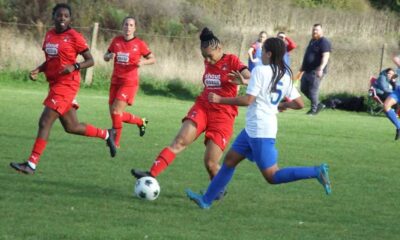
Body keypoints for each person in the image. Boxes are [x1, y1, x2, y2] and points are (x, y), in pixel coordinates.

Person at [185, 37, 331, 209]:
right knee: (230, 161)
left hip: (260, 131)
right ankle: (206, 200)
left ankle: (316, 171)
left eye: (262, 51)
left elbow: (248, 100)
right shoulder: (284, 74)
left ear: (269, 53)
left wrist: (220, 99)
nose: (260, 54)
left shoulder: (261, 70)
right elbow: (299, 103)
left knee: (272, 176)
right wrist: (280, 104)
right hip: (253, 130)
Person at [131, 28, 251, 192]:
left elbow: (252, 78)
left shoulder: (232, 61)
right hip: (202, 107)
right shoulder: (208, 60)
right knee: (179, 141)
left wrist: (243, 81)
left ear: (219, 48)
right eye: (204, 57)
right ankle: (150, 174)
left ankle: (217, 190)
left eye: (210, 56)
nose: (207, 60)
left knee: (210, 163)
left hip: (223, 115)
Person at [9, 3, 117, 175]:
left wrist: (74, 67)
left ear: (70, 19)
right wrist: (39, 69)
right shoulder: (50, 35)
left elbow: (90, 60)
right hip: (55, 85)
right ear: (53, 16)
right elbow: (51, 60)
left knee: (45, 121)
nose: (62, 19)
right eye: (59, 15)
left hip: (67, 85)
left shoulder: (74, 36)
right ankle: (107, 134)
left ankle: (31, 164)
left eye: (66, 16)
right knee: (72, 126)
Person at [104, 16, 156, 148]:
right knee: (115, 114)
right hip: (115, 81)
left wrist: (142, 62)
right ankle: (140, 122)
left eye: (131, 25)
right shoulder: (116, 41)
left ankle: (115, 143)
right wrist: (108, 56)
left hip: (129, 82)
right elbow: (106, 56)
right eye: (126, 24)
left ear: (135, 28)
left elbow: (152, 59)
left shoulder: (139, 44)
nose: (128, 27)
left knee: (116, 112)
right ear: (122, 26)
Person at [300, 24, 331, 115]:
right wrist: (303, 66)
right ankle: (318, 104)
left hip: (316, 71)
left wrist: (320, 68)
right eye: (313, 30)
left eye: (317, 30)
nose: (314, 32)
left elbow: (326, 56)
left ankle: (313, 110)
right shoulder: (312, 41)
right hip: (307, 70)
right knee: (303, 88)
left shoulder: (324, 42)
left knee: (313, 90)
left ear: (321, 31)